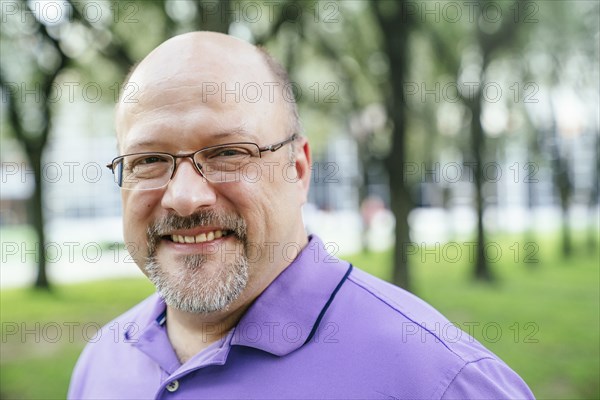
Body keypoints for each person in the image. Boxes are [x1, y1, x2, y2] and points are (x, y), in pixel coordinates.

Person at [68, 31, 535, 400]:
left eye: (228, 152)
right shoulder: (102, 359)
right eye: (148, 160)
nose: (185, 198)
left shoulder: (441, 381)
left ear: (298, 169)